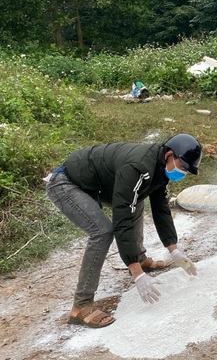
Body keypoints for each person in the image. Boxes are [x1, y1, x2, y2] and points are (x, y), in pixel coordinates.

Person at [45, 133, 202, 328]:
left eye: (187, 170)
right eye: (182, 167)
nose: (183, 172)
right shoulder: (138, 168)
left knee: (137, 200)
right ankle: (81, 306)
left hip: (97, 183)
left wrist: (174, 249)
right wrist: (136, 273)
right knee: (102, 231)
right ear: (169, 154)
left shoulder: (160, 168)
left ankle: (140, 259)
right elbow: (123, 217)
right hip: (66, 182)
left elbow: (161, 209)